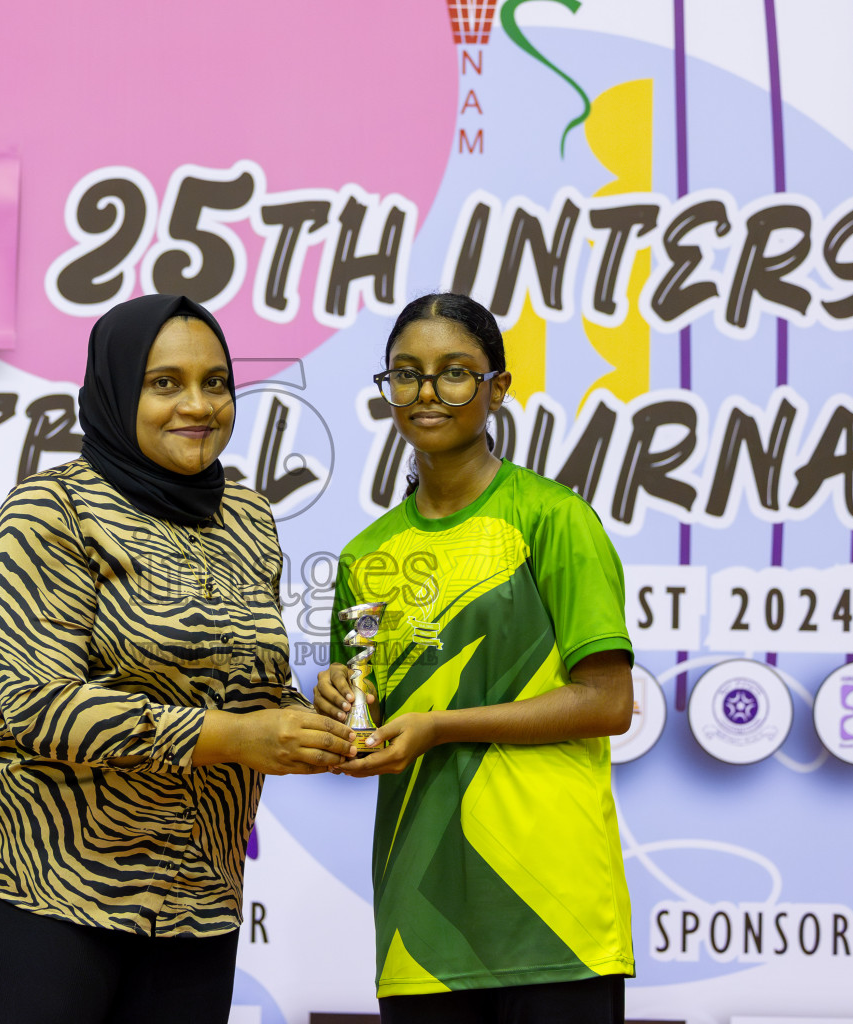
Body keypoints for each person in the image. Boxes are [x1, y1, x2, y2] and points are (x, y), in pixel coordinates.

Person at [0, 294, 356, 1024]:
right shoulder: (52, 509)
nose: (197, 405)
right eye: (164, 383)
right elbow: (43, 708)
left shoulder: (248, 516)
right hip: (50, 887)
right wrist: (237, 738)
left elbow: (255, 694)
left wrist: (318, 724)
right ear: (114, 389)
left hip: (198, 900)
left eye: (216, 382)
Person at [314, 292, 636, 1024]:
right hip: (421, 920)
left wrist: (441, 726)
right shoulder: (366, 556)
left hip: (553, 910)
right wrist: (335, 706)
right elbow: (368, 728)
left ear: (497, 389)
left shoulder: (553, 519)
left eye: (454, 372)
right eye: (406, 374)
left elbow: (608, 701)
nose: (427, 394)